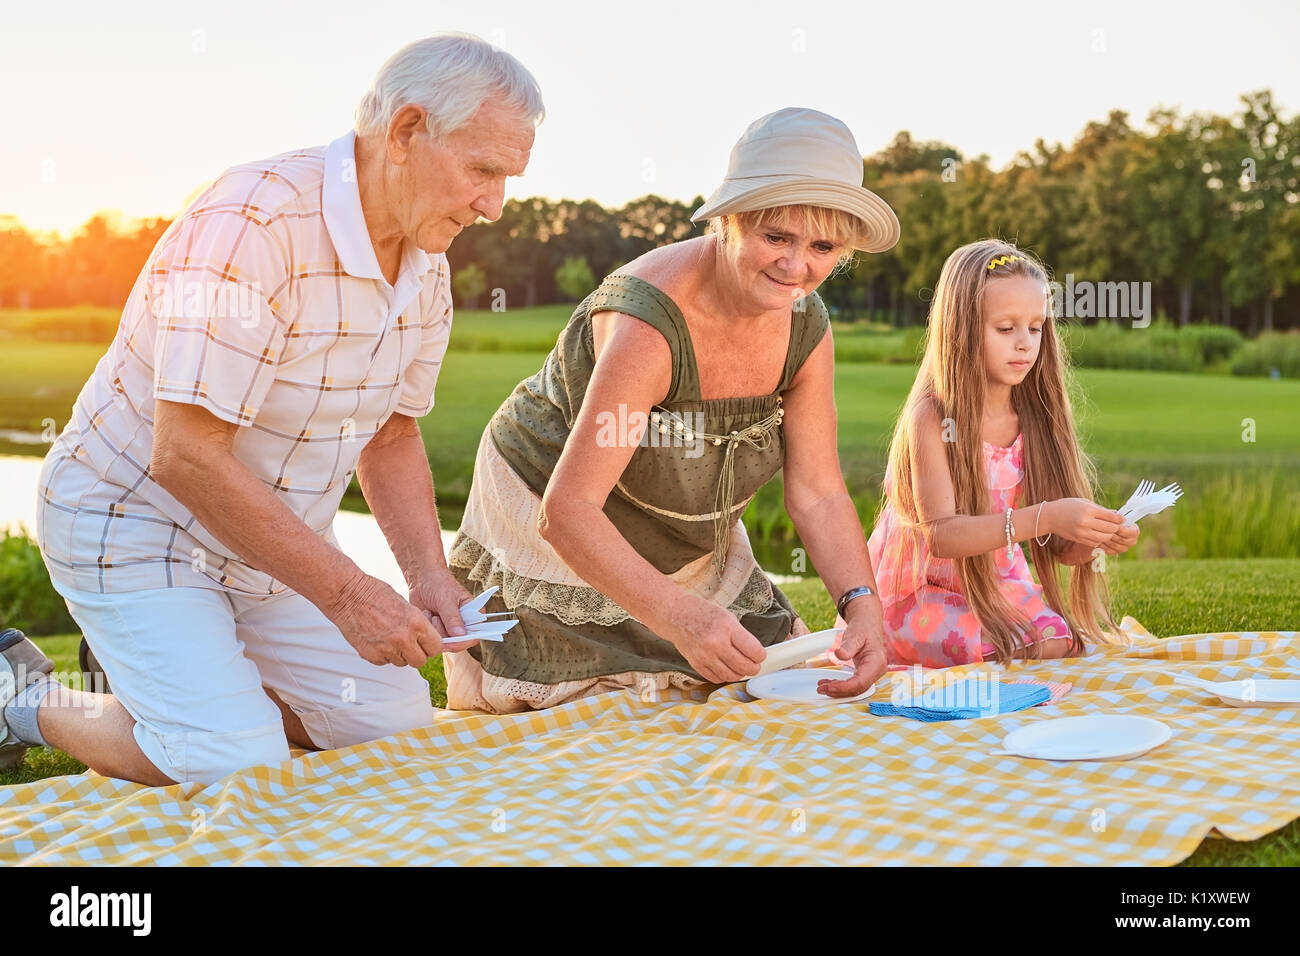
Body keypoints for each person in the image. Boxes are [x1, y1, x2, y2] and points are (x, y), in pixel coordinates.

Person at [0, 34, 544, 784]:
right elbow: (184, 455)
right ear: (408, 131)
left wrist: (427, 578)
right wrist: (351, 596)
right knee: (230, 760)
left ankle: (177, 677)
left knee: (395, 729)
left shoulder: (428, 271)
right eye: (484, 170)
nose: (494, 205)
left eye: (506, 179)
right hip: (133, 524)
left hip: (267, 545)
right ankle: (24, 697)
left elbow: (390, 435)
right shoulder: (250, 225)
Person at [442, 108, 899, 714]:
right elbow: (568, 510)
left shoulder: (806, 329)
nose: (797, 266)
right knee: (591, 715)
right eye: (776, 237)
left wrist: (861, 602)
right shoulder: (648, 327)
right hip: (553, 519)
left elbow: (816, 491)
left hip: (679, 532)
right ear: (728, 223)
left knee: (741, 688)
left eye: (822, 246)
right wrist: (679, 617)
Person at [864, 239, 1138, 668]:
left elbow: (1061, 548)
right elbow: (942, 536)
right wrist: (1046, 515)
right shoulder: (932, 417)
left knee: (1059, 640)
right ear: (961, 329)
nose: (1025, 344)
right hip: (921, 590)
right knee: (1008, 647)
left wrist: (1096, 539)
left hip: (996, 580)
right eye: (1006, 329)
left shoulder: (1036, 414)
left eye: (1036, 327)